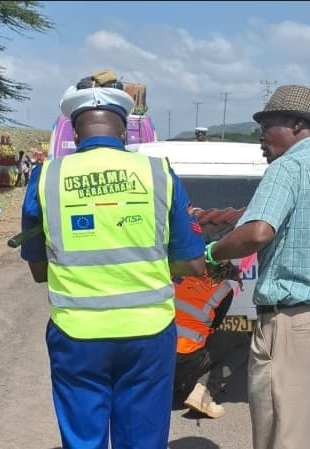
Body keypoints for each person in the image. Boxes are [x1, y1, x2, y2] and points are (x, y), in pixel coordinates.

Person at [21, 84, 206, 449]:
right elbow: (192, 264)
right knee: (143, 439)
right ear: (123, 131)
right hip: (148, 334)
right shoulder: (158, 173)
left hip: (76, 335)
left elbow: (39, 270)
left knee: (82, 438)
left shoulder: (45, 177)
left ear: (75, 133)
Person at [206, 85, 310, 449]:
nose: (261, 134)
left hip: (293, 323)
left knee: (283, 433)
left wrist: (214, 252)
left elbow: (258, 232)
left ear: (295, 125)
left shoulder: (286, 168)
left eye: (268, 123)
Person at [172, 262, 239, 419]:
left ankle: (173, 384)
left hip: (158, 353)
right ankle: (203, 392)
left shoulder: (174, 272)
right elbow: (214, 327)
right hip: (188, 359)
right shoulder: (223, 290)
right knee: (240, 341)